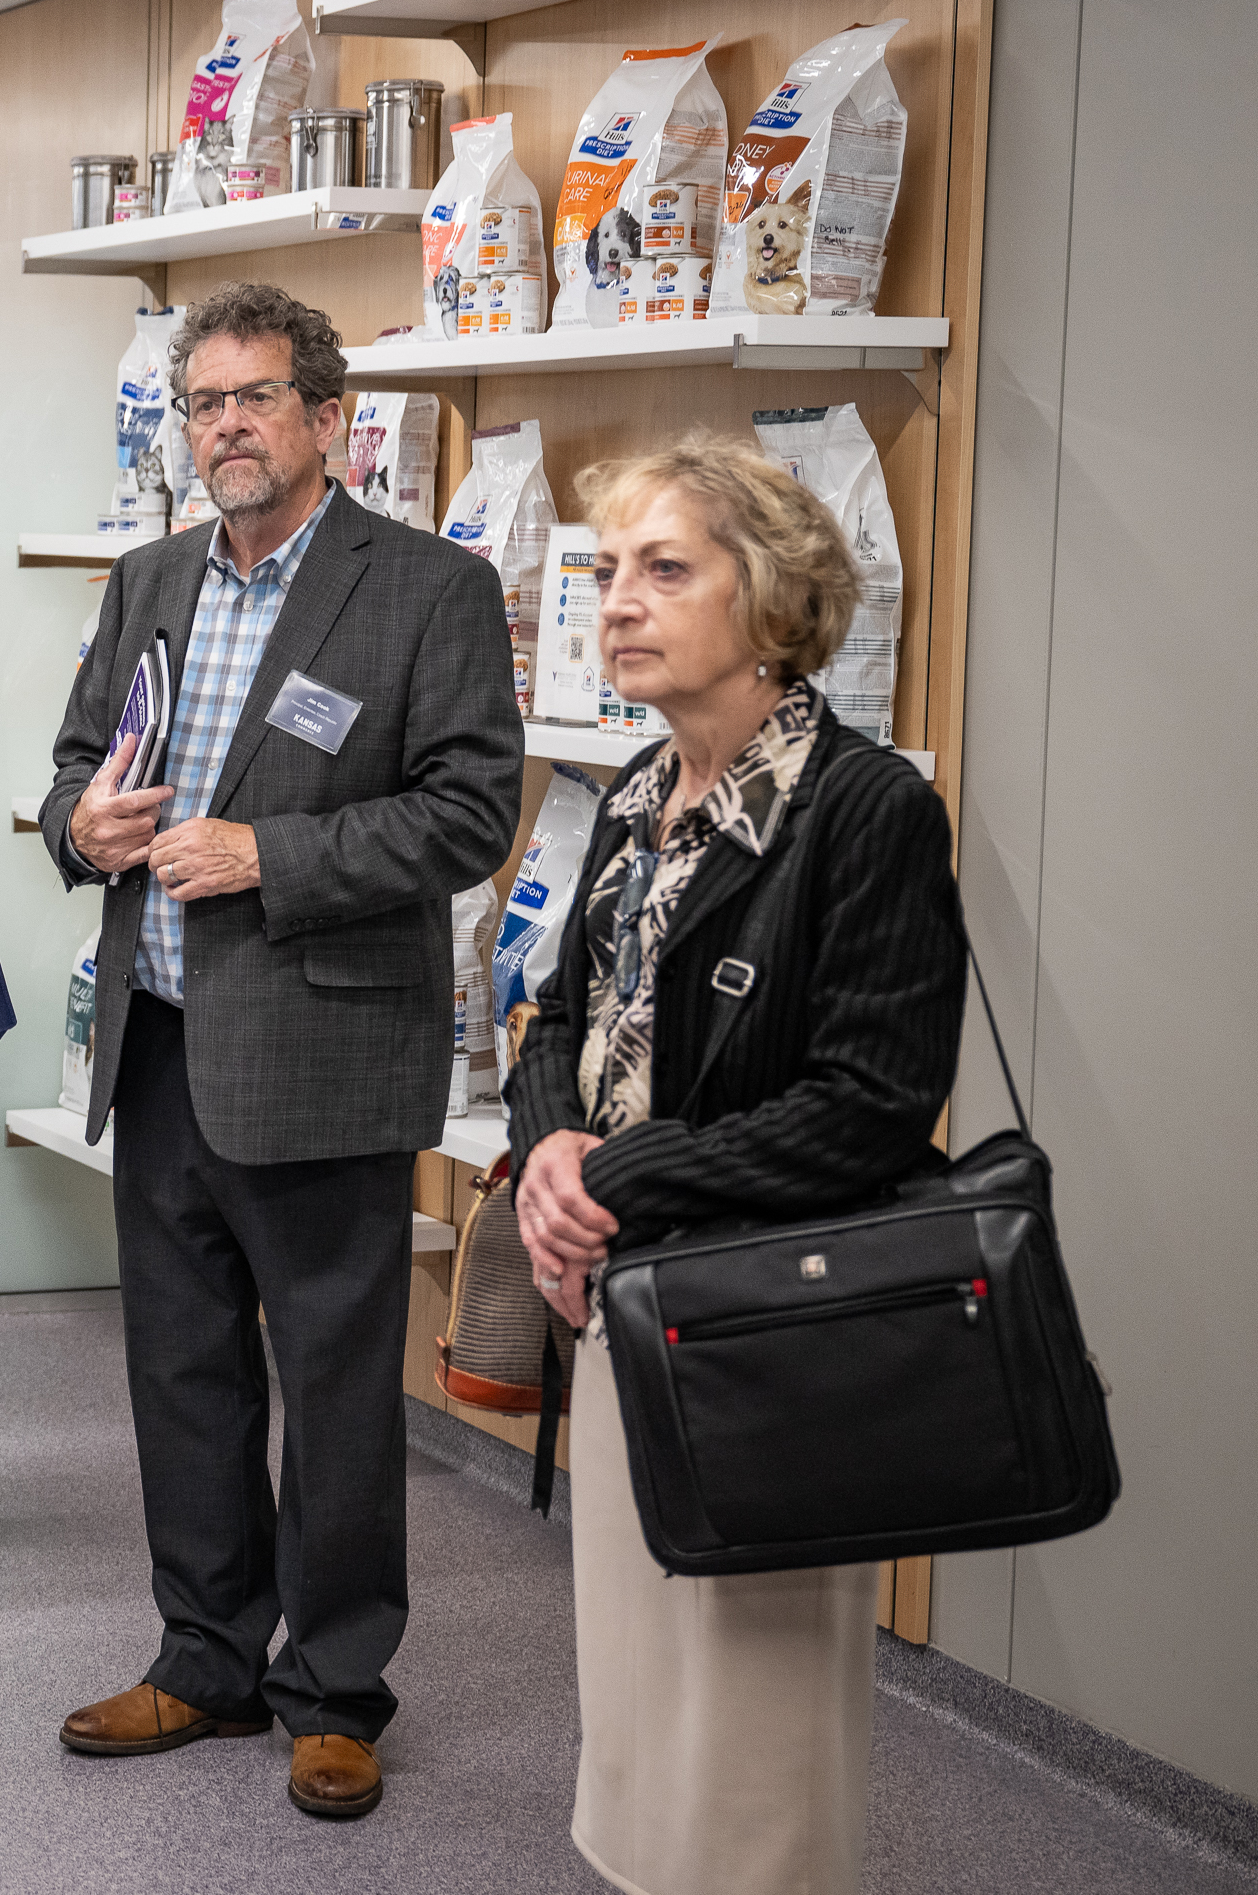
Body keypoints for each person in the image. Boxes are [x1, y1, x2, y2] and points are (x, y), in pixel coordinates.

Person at [39, 282, 524, 1820]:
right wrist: (81, 822)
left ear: (328, 419)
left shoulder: (426, 588)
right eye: (203, 403)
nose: (226, 427)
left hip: (320, 1051)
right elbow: (72, 762)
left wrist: (273, 853)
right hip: (164, 1039)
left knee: (330, 1383)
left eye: (255, 398)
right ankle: (204, 1655)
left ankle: (336, 1688)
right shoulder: (150, 578)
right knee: (181, 1370)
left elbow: (466, 810)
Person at [508, 439, 964, 1895]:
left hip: (772, 1323)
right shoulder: (640, 788)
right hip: (625, 1303)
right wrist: (543, 1154)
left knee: (753, 1729)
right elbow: (560, 1013)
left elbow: (875, 1104)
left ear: (770, 603)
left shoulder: (865, 806)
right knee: (638, 1698)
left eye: (664, 568)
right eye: (605, 572)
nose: (618, 604)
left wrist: (623, 1175)